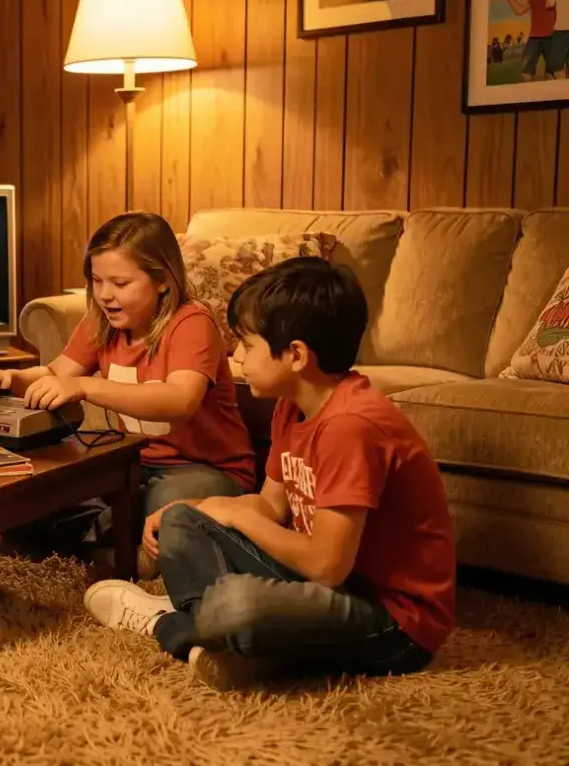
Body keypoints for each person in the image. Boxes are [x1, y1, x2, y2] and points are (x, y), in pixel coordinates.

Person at [82, 258, 456, 692]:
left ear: (295, 355)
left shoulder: (351, 424)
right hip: (327, 590)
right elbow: (272, 505)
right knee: (181, 521)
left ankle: (170, 623)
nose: (235, 357)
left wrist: (237, 517)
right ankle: (234, 642)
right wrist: (199, 508)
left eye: (246, 344)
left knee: (237, 605)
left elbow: (326, 564)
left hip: (394, 621)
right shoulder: (292, 403)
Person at [0, 212, 255, 569]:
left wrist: (85, 386)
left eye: (120, 283)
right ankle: (112, 547)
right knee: (32, 487)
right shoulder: (102, 320)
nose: (104, 295)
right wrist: (10, 378)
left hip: (203, 470)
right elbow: (58, 372)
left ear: (162, 280)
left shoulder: (191, 322)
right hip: (126, 465)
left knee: (168, 507)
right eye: (97, 280)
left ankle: (100, 544)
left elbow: (179, 400)